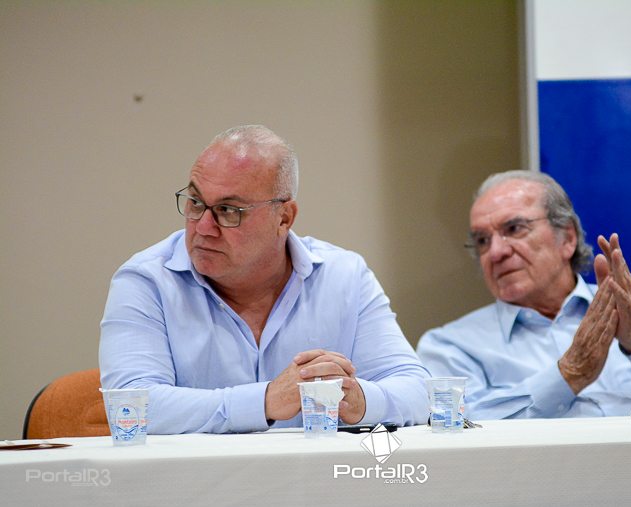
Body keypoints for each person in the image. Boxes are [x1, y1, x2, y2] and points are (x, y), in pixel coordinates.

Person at [99, 125, 429, 433]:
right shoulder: (147, 282)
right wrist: (265, 400)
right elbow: (129, 407)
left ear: (284, 217)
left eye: (229, 210)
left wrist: (359, 401)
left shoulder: (344, 277)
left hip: (320, 477)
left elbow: (418, 391)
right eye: (196, 203)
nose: (203, 227)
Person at [417, 170, 631, 419]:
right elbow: (456, 432)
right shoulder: (450, 346)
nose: (496, 252)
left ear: (567, 238)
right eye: (482, 241)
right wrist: (569, 375)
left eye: (514, 229)